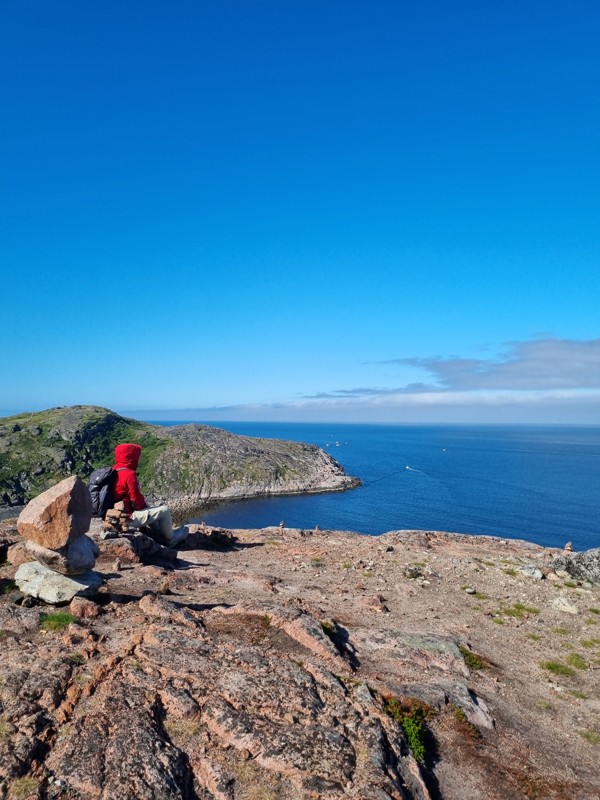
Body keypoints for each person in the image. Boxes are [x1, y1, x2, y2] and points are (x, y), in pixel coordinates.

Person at [112, 443, 189, 547]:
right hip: (127, 518)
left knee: (148, 509)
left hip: (113, 516)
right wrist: (144, 505)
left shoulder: (114, 470)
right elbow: (137, 503)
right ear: (131, 457)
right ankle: (171, 539)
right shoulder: (129, 474)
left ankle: (159, 534)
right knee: (164, 510)